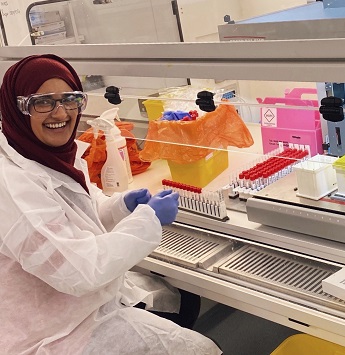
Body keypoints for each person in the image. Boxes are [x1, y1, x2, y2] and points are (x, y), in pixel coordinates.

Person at [0, 54, 221, 354]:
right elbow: (79, 270)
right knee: (201, 349)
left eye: (70, 99)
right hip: (52, 332)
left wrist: (122, 207)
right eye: (43, 101)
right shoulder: (11, 184)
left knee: (184, 300)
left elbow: (82, 211)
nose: (60, 112)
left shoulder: (43, 155)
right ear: (17, 109)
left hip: (79, 305)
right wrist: (148, 220)